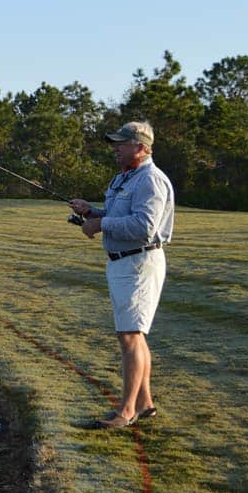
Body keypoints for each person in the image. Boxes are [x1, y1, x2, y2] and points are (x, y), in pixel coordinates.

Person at [69, 120, 175, 429]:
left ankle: (126, 411)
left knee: (130, 336)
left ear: (141, 148)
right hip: (121, 263)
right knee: (132, 334)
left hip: (139, 263)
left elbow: (144, 227)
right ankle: (144, 403)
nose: (115, 148)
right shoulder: (124, 178)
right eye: (115, 143)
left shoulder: (150, 181)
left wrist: (100, 225)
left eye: (121, 143)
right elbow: (120, 216)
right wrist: (92, 212)